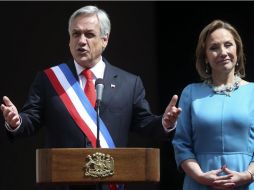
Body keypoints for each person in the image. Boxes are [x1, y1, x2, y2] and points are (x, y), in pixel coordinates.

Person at [1, 5, 181, 190]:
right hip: (63, 183)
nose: (81, 41)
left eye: (89, 34)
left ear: (105, 40)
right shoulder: (49, 79)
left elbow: (145, 124)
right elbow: (30, 120)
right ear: (69, 40)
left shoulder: (129, 83)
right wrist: (17, 122)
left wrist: (165, 123)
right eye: (76, 34)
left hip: (109, 183)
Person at [172, 19, 254, 190]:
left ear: (237, 50)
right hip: (199, 184)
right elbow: (181, 144)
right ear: (206, 58)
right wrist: (201, 177)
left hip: (247, 183)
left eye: (228, 45)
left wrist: (247, 175)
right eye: (214, 47)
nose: (223, 52)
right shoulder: (190, 93)